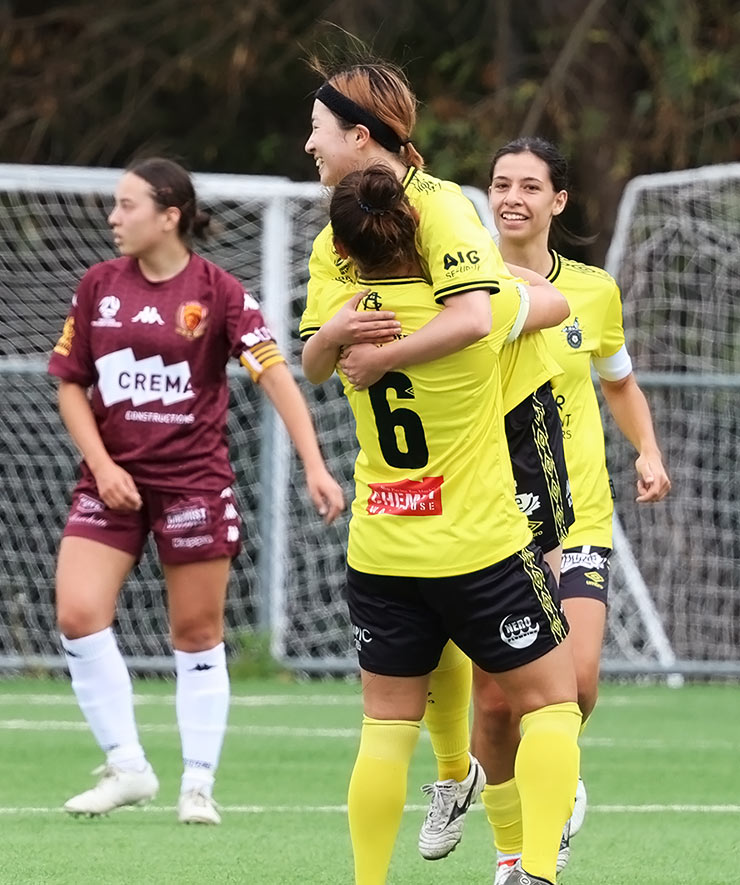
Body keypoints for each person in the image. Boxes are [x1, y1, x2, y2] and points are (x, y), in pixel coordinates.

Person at [301, 58, 572, 867]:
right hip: (476, 539)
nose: (307, 145)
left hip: (382, 540)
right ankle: (535, 866)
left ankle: (405, 834)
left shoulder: (362, 275)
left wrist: (355, 346)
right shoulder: (456, 290)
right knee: (553, 704)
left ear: (359, 136)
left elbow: (319, 361)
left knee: (384, 727)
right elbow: (518, 307)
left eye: (316, 131)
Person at [48, 157, 344, 825]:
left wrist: (316, 466)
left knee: (196, 630)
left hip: (192, 483)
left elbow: (276, 377)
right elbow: (71, 382)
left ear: (169, 215)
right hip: (111, 480)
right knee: (77, 613)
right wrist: (102, 463)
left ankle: (198, 784)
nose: (113, 218)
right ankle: (127, 765)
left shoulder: (219, 292)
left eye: (127, 205)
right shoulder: (98, 286)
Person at [477, 137, 671, 883]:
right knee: (495, 707)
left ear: (558, 201)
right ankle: (515, 838)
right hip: (486, 523)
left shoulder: (593, 291)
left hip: (577, 515)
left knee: (577, 685)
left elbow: (618, 381)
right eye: (500, 183)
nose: (512, 196)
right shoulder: (463, 288)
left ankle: (552, 796)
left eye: (530, 185)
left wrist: (646, 449)